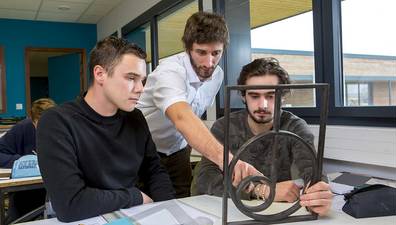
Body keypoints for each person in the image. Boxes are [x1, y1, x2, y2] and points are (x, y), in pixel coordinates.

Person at [36, 37, 175, 222]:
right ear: (100, 74)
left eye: (142, 80)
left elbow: (154, 171)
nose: (141, 88)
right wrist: (136, 196)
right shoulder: (57, 122)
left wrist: (169, 211)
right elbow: (70, 204)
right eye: (131, 78)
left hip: (129, 215)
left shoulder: (136, 118)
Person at [137, 11, 260, 198]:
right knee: (143, 205)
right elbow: (182, 117)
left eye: (216, 53)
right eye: (201, 52)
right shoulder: (170, 71)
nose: (209, 62)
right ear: (188, 48)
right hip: (141, 151)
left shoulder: (216, 75)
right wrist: (227, 160)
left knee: (181, 200)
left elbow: (195, 114)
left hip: (177, 151)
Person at [196, 58, 332, 216]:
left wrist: (318, 193)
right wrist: (262, 190)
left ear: (283, 96)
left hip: (276, 213)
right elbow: (205, 179)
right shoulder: (225, 126)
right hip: (229, 212)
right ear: (243, 96)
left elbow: (312, 170)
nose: (263, 105)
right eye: (254, 96)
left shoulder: (295, 126)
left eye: (271, 96)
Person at [0, 98, 55, 224]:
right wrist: (23, 162)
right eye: (40, 124)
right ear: (33, 121)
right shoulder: (22, 129)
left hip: (54, 189)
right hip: (26, 194)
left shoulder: (62, 127)